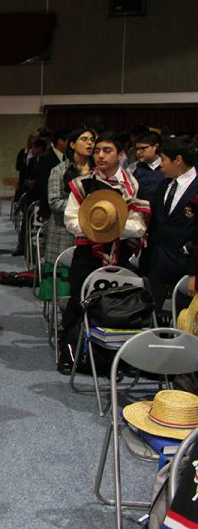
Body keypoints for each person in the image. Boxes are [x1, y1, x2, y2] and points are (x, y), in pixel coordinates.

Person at [57, 133, 150, 372]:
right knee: (78, 301)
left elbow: (138, 225)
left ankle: (115, 358)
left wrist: (112, 230)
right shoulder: (83, 183)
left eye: (107, 150)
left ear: (120, 154)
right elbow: (71, 219)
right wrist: (96, 230)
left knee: (117, 307)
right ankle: (69, 353)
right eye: (97, 150)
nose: (99, 155)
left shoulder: (133, 185)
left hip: (120, 252)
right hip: (88, 251)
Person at [142, 137, 198, 314]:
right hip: (157, 264)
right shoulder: (164, 185)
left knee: (183, 324)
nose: (160, 166)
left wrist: (195, 273)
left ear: (178, 159)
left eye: (164, 160)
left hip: (185, 267)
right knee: (154, 321)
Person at [44, 127, 94, 266]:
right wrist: (85, 206)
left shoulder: (97, 171)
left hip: (91, 230)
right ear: (72, 144)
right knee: (64, 276)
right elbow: (54, 202)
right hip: (63, 231)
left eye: (92, 140)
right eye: (84, 139)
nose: (89, 143)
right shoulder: (60, 170)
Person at [127, 131, 166, 202]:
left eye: (142, 148)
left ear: (156, 147)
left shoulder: (166, 166)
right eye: (136, 149)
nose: (138, 152)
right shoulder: (133, 167)